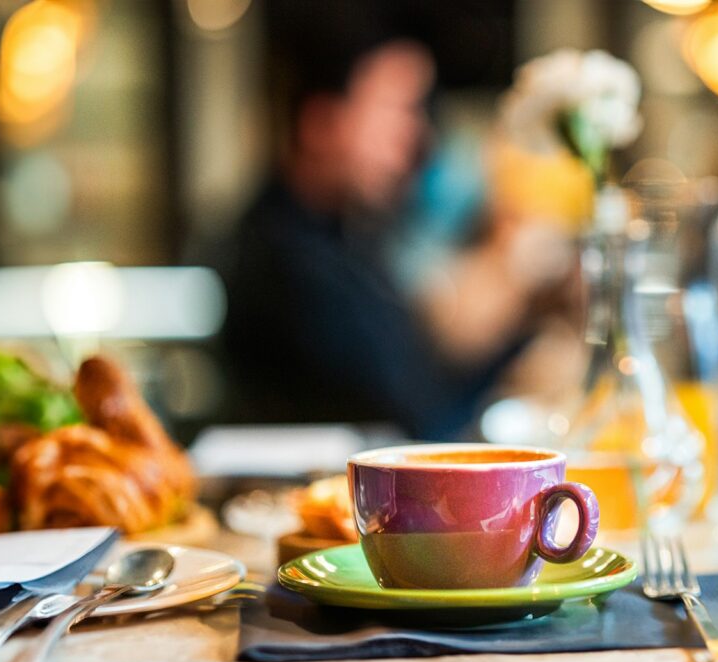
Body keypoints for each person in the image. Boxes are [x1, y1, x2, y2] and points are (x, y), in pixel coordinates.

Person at [220, 1, 540, 439]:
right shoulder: (286, 262)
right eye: (396, 109)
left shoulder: (340, 237)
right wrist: (521, 297)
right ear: (322, 122)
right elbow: (418, 425)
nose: (416, 135)